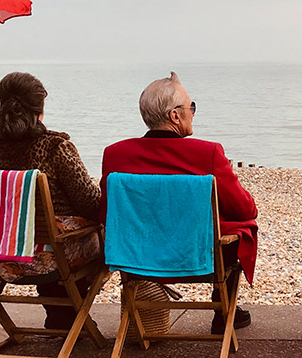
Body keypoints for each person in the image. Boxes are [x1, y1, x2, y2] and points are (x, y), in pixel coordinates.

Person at [101, 72, 259, 335]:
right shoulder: (207, 154)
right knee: (243, 226)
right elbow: (244, 209)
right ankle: (223, 310)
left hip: (136, 258)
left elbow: (107, 213)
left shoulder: (115, 154)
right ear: (175, 116)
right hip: (199, 256)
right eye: (191, 107)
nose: (193, 113)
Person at [0, 72, 102, 333]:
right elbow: (90, 204)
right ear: (40, 109)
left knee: (49, 235)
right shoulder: (55, 148)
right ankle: (67, 314)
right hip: (46, 260)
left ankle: (60, 314)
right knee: (99, 235)